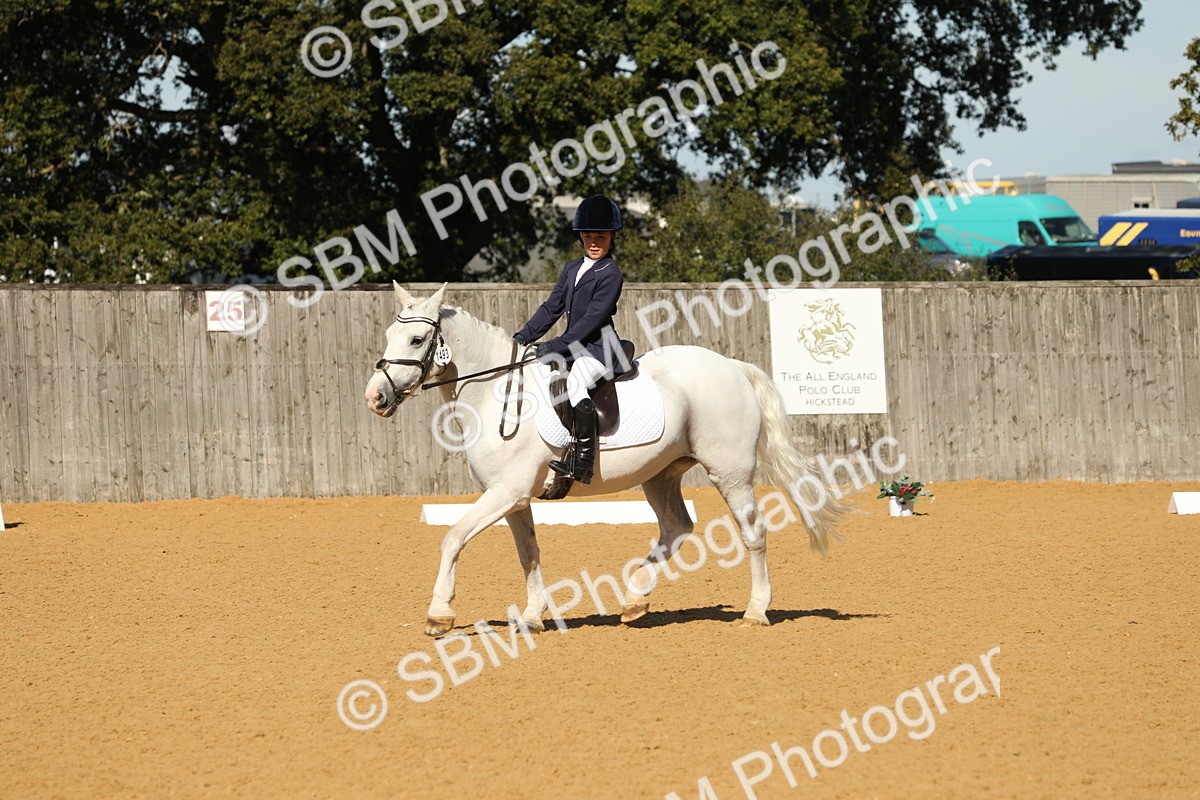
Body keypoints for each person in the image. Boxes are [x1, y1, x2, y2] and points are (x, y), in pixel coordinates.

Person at [513, 195, 627, 484]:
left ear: (612, 237)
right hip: (575, 347)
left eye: (600, 236)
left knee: (575, 385)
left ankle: (583, 462)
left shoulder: (611, 274)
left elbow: (590, 321)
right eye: (588, 236)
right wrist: (523, 337)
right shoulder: (572, 268)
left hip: (599, 349)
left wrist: (555, 345)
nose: (593, 242)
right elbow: (552, 307)